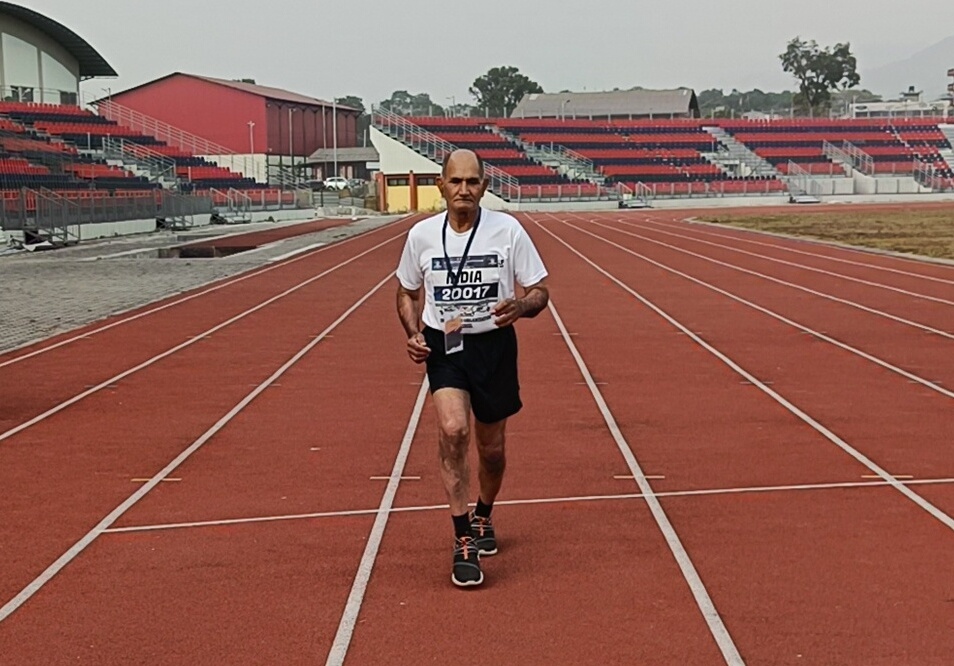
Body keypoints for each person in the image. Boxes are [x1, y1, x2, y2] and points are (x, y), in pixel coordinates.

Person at [395, 149, 549, 587]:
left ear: (484, 186)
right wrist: (412, 332)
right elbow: (406, 292)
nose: (464, 189)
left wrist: (521, 305)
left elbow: (540, 291)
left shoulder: (508, 230)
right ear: (441, 186)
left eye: (473, 181)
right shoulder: (422, 236)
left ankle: (484, 512)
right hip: (446, 346)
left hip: (494, 346)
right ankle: (463, 537)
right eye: (456, 181)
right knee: (453, 429)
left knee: (492, 448)